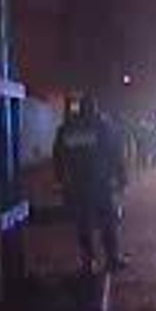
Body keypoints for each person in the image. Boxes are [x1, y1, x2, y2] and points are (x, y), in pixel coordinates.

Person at [53, 93, 128, 273]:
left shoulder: (68, 128)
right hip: (101, 183)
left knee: (83, 224)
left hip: (77, 184)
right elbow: (115, 154)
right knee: (108, 221)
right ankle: (111, 258)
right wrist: (121, 177)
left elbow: (59, 156)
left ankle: (88, 261)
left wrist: (62, 179)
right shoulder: (104, 127)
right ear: (95, 108)